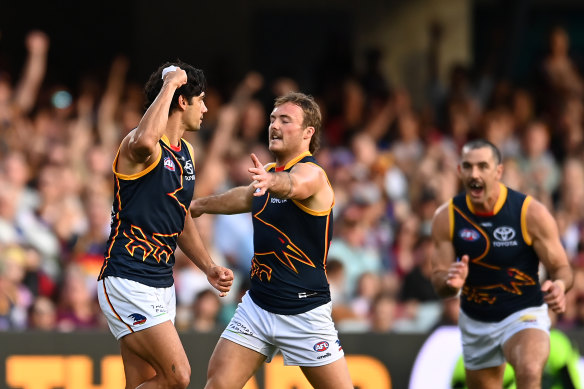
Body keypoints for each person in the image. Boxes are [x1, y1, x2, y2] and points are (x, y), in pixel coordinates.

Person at [191, 92, 353, 389]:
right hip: (258, 307)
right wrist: (200, 206)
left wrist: (271, 183)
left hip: (305, 314)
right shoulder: (268, 173)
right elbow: (242, 197)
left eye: (285, 120)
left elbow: (293, 185)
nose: (274, 125)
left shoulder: (313, 174)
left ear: (308, 133)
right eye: (272, 119)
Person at [96, 61, 234, 389]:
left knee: (144, 382)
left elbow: (181, 215)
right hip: (128, 277)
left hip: (161, 282)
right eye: (199, 98)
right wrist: (170, 83)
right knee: (178, 376)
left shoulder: (186, 151)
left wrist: (208, 266)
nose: (205, 107)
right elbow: (145, 140)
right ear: (182, 101)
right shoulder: (140, 144)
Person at [430, 138, 573, 389]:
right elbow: (439, 278)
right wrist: (450, 283)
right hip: (477, 320)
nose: (475, 174)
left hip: (524, 311)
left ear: (498, 171)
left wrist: (560, 285)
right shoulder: (447, 217)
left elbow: (561, 267)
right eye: (468, 166)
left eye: (483, 166)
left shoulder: (529, 212)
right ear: (459, 171)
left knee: (529, 370)